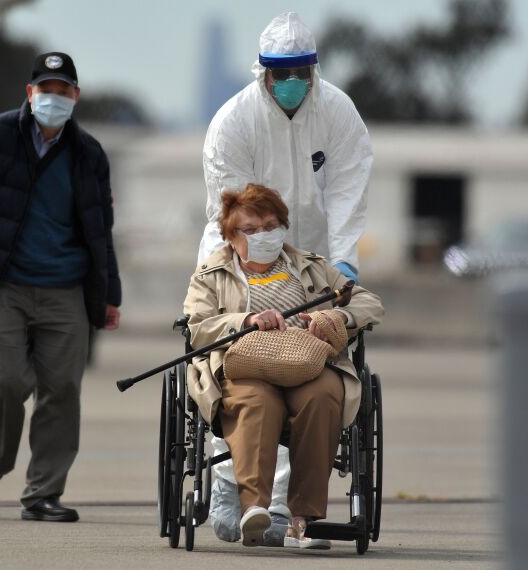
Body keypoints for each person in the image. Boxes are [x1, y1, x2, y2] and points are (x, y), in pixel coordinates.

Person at [198, 12, 374, 543]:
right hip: (246, 247)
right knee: (240, 370)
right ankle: (229, 486)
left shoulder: (338, 112)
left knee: (303, 375)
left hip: (313, 261)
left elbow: (348, 185)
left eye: (303, 70)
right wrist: (251, 248)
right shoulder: (234, 121)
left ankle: (280, 508)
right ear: (264, 73)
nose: (294, 80)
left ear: (314, 70)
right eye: (284, 72)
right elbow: (232, 206)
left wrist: (342, 259)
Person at [0, 52, 121, 523]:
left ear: (75, 97)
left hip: (66, 290)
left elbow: (101, 229)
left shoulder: (89, 155)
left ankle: (42, 494)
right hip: (5, 287)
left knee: (61, 391)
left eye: (63, 91)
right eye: (45, 89)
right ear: (29, 93)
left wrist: (109, 296)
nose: (53, 98)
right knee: (8, 381)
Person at [184, 184, 383, 548]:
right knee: (257, 403)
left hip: (308, 363)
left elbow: (369, 303)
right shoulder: (210, 276)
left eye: (271, 225)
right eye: (251, 229)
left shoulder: (312, 267)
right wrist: (245, 320)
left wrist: (336, 317)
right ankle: (254, 509)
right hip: (246, 364)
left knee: (323, 397)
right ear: (230, 236)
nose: (264, 235)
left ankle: (300, 520)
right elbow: (198, 327)